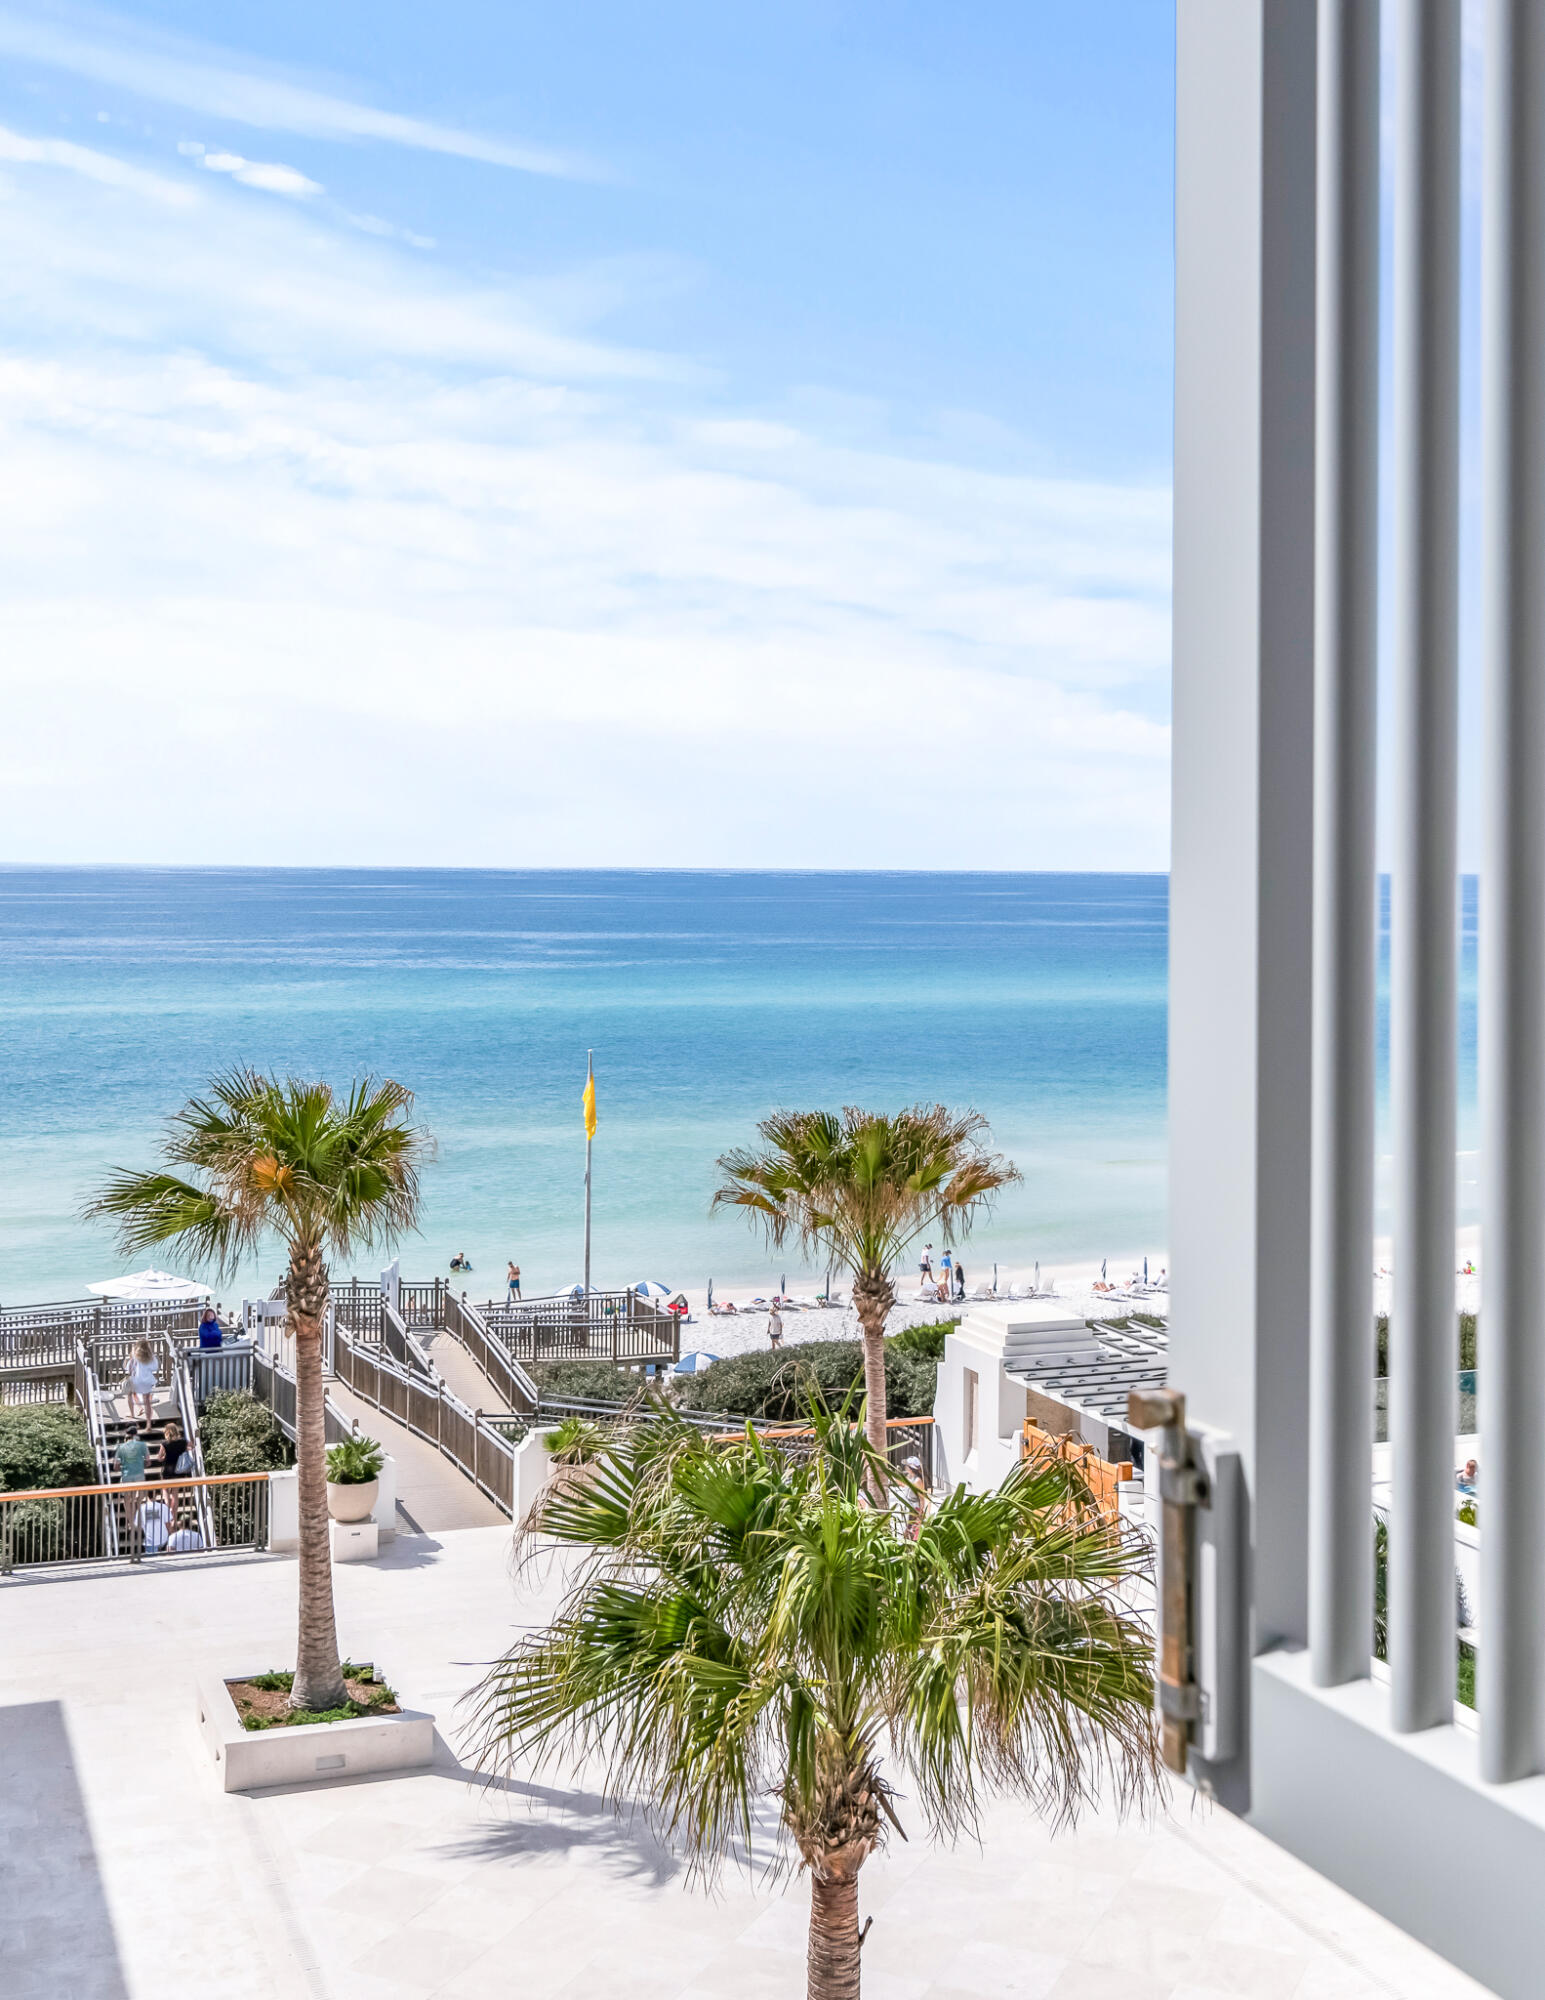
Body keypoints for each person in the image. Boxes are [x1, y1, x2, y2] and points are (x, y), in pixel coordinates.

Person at [124, 1340, 158, 1423]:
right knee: (146, 1400)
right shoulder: (152, 1357)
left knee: (130, 1394)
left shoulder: (135, 1357)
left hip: (137, 1381)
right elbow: (155, 1368)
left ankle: (132, 1413)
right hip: (148, 1381)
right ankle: (148, 1423)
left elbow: (128, 1368)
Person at [115, 1422, 150, 1487]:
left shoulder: (121, 1447)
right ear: (136, 1434)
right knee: (140, 1495)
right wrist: (141, 1465)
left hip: (126, 1474)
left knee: (127, 1496)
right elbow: (148, 1462)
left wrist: (122, 1469)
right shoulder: (143, 1445)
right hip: (139, 1473)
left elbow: (116, 1466)